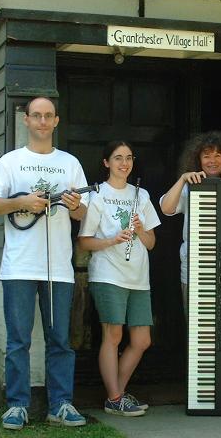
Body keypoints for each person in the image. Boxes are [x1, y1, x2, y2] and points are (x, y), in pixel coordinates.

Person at [0, 96, 89, 430]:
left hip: (59, 267)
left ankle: (61, 404)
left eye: (48, 116)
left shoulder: (69, 163)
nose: (42, 121)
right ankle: (17, 405)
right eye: (36, 116)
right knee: (18, 341)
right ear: (26, 120)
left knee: (60, 341)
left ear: (56, 122)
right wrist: (22, 202)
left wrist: (73, 205)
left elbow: (84, 213)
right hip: (19, 267)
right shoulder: (10, 162)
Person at [159, 130, 221, 399]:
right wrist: (181, 180)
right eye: (206, 155)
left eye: (217, 155)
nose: (212, 160)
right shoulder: (190, 184)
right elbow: (167, 208)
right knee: (199, 331)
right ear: (197, 159)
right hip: (193, 269)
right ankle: (202, 391)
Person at [78, 141, 160, 417]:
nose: (124, 163)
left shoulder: (142, 195)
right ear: (106, 163)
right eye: (117, 158)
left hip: (138, 277)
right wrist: (113, 239)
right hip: (108, 274)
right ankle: (115, 397)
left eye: (128, 158)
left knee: (141, 340)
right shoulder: (97, 195)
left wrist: (140, 229)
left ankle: (116, 396)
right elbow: (85, 242)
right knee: (113, 335)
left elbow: (150, 243)